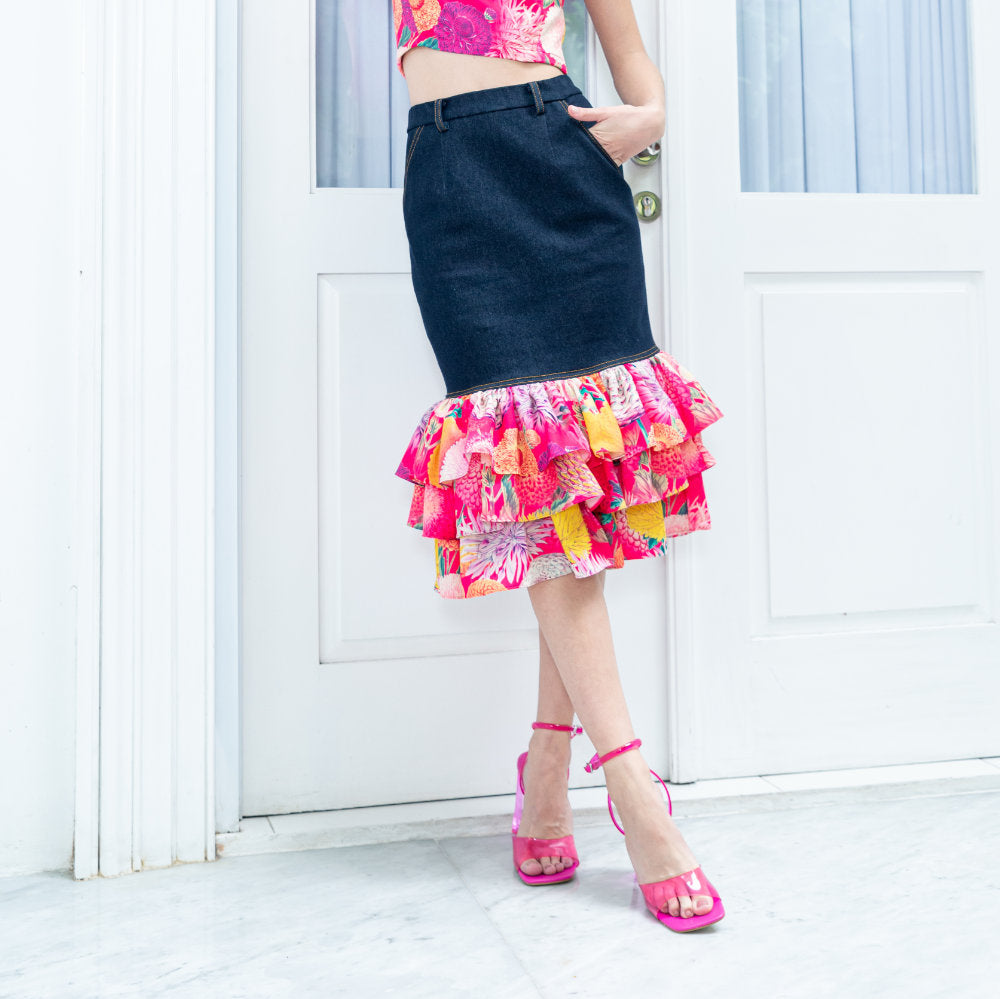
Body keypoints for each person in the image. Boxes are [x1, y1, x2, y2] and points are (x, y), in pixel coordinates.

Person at [391, 0, 725, 932]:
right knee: (529, 470)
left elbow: (633, 60)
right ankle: (621, 781)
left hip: (559, 156)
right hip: (452, 172)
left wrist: (647, 116)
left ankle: (568, 769)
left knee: (564, 485)